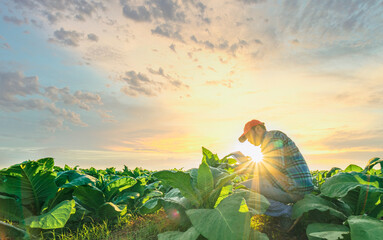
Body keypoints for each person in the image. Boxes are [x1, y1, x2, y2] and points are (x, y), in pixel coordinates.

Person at [234, 119, 314, 231]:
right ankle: (286, 210)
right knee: (253, 183)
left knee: (240, 189)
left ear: (258, 129)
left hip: (295, 188)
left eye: (248, 136)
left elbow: (274, 166)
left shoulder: (273, 136)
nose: (249, 141)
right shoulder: (270, 140)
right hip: (295, 186)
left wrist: (245, 167)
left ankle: (287, 212)